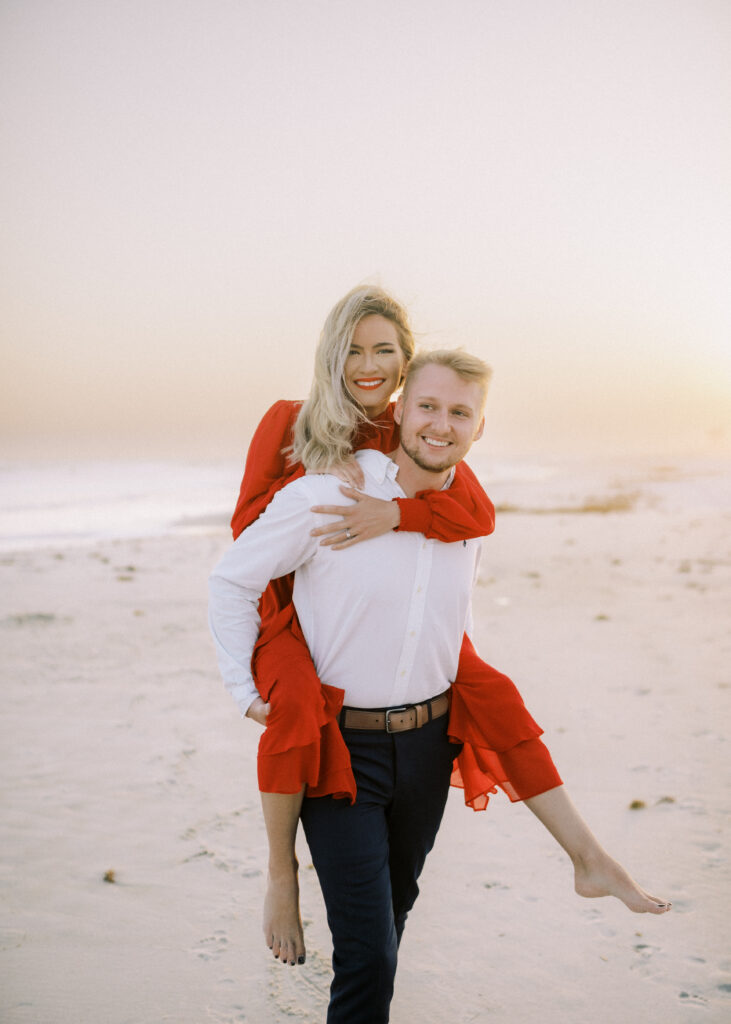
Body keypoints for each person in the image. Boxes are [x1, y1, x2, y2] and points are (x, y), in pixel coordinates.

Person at [210, 350, 670, 1023]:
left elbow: (448, 615)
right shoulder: (325, 492)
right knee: (370, 956)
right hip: (343, 753)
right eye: (427, 406)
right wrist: (242, 688)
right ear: (398, 412)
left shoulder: (466, 517)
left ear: (479, 428)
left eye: (460, 412)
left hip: (427, 749)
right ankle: (282, 882)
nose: (440, 424)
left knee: (387, 931)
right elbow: (232, 578)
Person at [226, 286, 565, 969]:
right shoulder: (288, 420)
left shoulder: (406, 427)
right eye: (352, 349)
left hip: (375, 614)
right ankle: (280, 874)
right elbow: (247, 532)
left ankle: (584, 852)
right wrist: (317, 489)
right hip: (287, 604)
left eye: (384, 350)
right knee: (294, 704)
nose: (367, 364)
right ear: (331, 355)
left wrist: (395, 513)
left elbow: (473, 517)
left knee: (487, 690)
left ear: (406, 365)